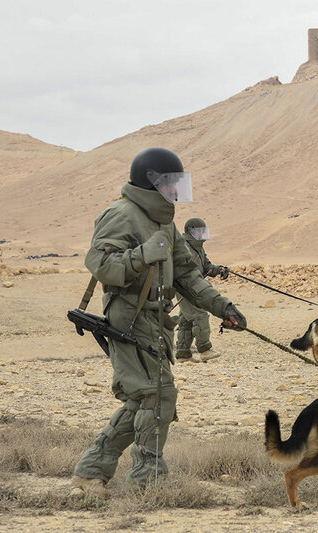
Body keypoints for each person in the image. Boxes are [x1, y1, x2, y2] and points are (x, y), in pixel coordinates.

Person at [71, 147, 246, 497]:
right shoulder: (121, 214)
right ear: (151, 183)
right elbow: (100, 263)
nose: (175, 192)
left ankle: (91, 472)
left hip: (156, 318)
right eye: (169, 184)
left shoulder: (163, 222)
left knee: (143, 399)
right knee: (158, 395)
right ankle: (148, 481)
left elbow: (186, 274)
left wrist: (221, 305)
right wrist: (140, 257)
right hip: (129, 316)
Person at [174, 217, 229, 361]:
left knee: (186, 320)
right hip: (186, 288)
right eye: (198, 232)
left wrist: (219, 270)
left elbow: (207, 267)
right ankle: (204, 349)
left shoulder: (198, 248)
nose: (201, 235)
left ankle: (182, 353)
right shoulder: (183, 246)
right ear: (190, 231)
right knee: (200, 316)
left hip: (195, 288)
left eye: (202, 232)